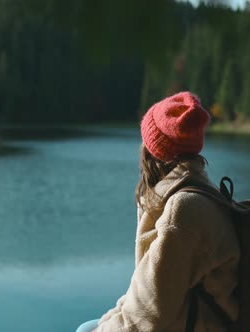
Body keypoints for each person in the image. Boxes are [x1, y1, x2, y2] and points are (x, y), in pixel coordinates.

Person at [76, 91, 240, 332]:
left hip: (198, 326)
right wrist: (107, 322)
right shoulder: (198, 190)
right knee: (89, 327)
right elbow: (142, 294)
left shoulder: (183, 211)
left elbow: (150, 311)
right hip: (187, 318)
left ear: (154, 150)